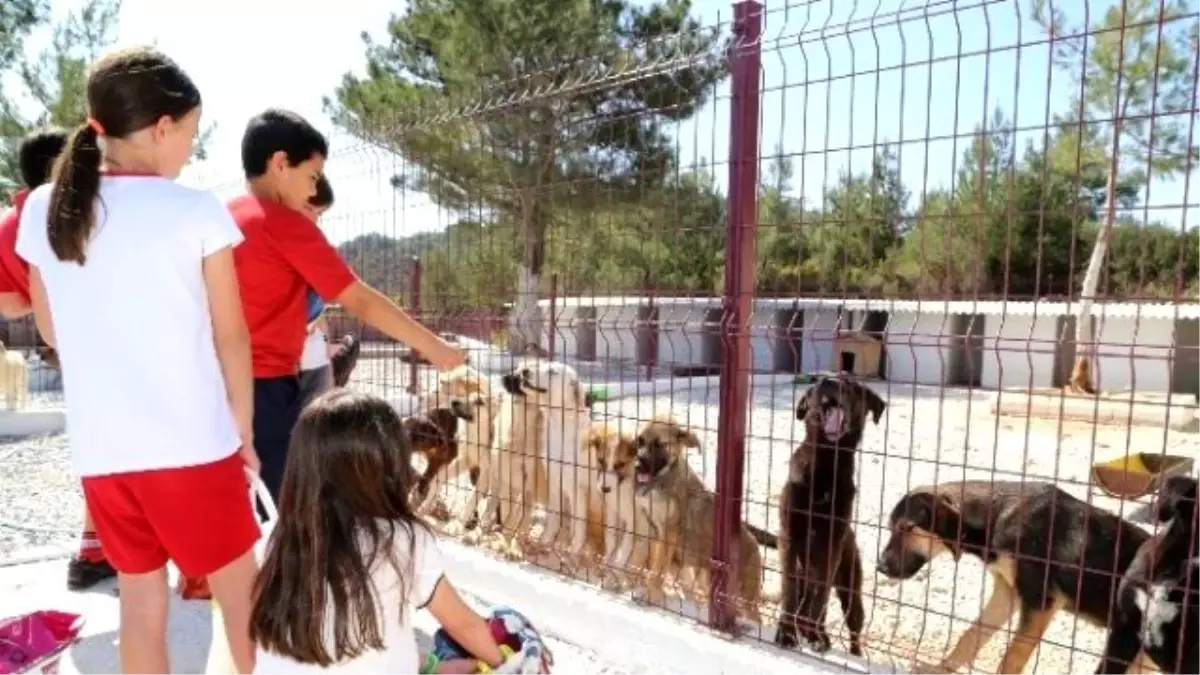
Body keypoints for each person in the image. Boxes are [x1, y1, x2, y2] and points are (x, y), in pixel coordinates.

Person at [15, 46, 260, 675]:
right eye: (191, 134)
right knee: (243, 602)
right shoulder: (196, 210)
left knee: (140, 606)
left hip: (104, 455)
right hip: (191, 448)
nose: (190, 150)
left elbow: (49, 327)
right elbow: (232, 336)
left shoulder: (45, 207)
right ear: (161, 127)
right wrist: (245, 432)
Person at [228, 107, 466, 504]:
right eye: (312, 177)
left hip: (220, 379)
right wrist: (432, 346)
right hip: (265, 385)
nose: (312, 191)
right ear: (280, 164)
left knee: (232, 500)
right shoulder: (285, 224)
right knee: (273, 503)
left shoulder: (228, 214)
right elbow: (359, 299)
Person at [251, 389, 510, 674]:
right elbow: (464, 625)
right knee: (491, 633)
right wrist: (510, 664)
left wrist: (434, 666)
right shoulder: (404, 539)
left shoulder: (272, 539)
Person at [0, 129, 117, 590]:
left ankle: (95, 548)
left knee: (102, 444)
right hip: (106, 344)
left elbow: (8, 304)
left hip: (71, 348)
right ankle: (109, 549)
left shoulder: (13, 220)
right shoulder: (73, 211)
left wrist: (43, 302)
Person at [296, 175, 335, 409]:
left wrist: (326, 340)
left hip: (313, 357)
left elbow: (320, 305)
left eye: (319, 214)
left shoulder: (313, 245)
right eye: (308, 208)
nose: (313, 219)